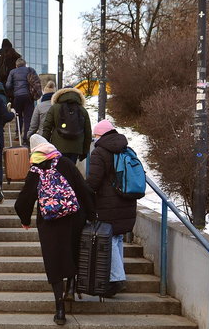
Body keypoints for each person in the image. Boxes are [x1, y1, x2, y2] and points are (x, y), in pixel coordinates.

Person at [14, 134, 96, 325]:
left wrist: (25, 219)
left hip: (50, 222)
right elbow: (83, 189)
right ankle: (72, 286)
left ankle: (60, 309)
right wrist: (91, 214)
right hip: (74, 217)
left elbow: (25, 199)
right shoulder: (66, 163)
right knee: (73, 250)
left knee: (54, 261)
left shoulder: (35, 170)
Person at [85, 119, 135, 298]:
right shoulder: (125, 148)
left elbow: (94, 180)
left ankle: (116, 279)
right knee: (118, 238)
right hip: (126, 200)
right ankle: (117, 275)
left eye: (95, 135)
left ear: (99, 135)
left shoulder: (100, 151)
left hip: (108, 203)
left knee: (111, 240)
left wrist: (84, 192)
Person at [41, 86, 92, 163]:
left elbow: (47, 128)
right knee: (71, 171)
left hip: (58, 147)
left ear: (60, 94)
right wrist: (85, 151)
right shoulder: (82, 110)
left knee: (59, 171)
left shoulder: (54, 108)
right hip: (76, 148)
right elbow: (88, 132)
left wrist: (44, 147)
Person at [6, 58, 40, 145]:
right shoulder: (30, 70)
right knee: (28, 117)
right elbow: (37, 82)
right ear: (25, 64)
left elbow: (8, 85)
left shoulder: (12, 72)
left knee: (18, 115)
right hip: (29, 96)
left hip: (17, 97)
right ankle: (26, 138)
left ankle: (18, 133)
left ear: (16, 65)